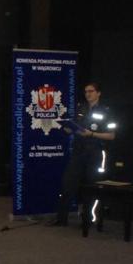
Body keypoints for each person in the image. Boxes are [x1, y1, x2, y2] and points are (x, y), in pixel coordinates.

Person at [53, 82, 117, 229]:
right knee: (67, 183)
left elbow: (112, 135)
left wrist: (92, 134)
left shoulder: (107, 111)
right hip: (78, 151)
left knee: (92, 186)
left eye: (91, 91)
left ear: (98, 93)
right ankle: (61, 219)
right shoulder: (80, 109)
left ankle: (88, 220)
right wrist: (68, 129)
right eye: (86, 91)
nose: (88, 94)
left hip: (95, 152)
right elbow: (74, 127)